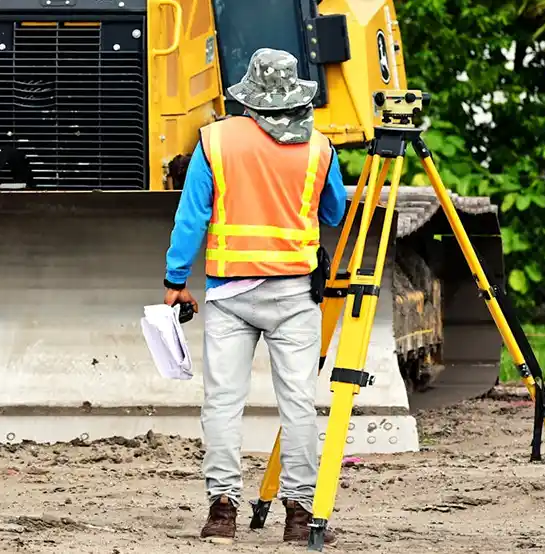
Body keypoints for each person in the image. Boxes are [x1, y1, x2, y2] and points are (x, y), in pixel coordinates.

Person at [162, 48, 348, 545]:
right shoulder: (320, 148)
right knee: (299, 405)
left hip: (229, 294)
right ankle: (300, 515)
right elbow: (333, 214)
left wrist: (175, 278)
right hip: (294, 296)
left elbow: (192, 217)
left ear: (249, 94)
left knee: (222, 402)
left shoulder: (215, 140)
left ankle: (222, 511)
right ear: (293, 94)